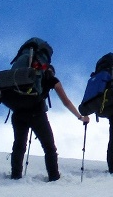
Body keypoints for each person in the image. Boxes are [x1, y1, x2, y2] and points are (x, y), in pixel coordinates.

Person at [9, 44, 88, 181]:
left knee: (19, 145)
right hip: (37, 114)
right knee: (49, 147)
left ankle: (15, 175)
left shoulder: (23, 73)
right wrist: (80, 116)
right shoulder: (51, 78)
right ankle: (53, 176)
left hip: (17, 113)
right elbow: (66, 102)